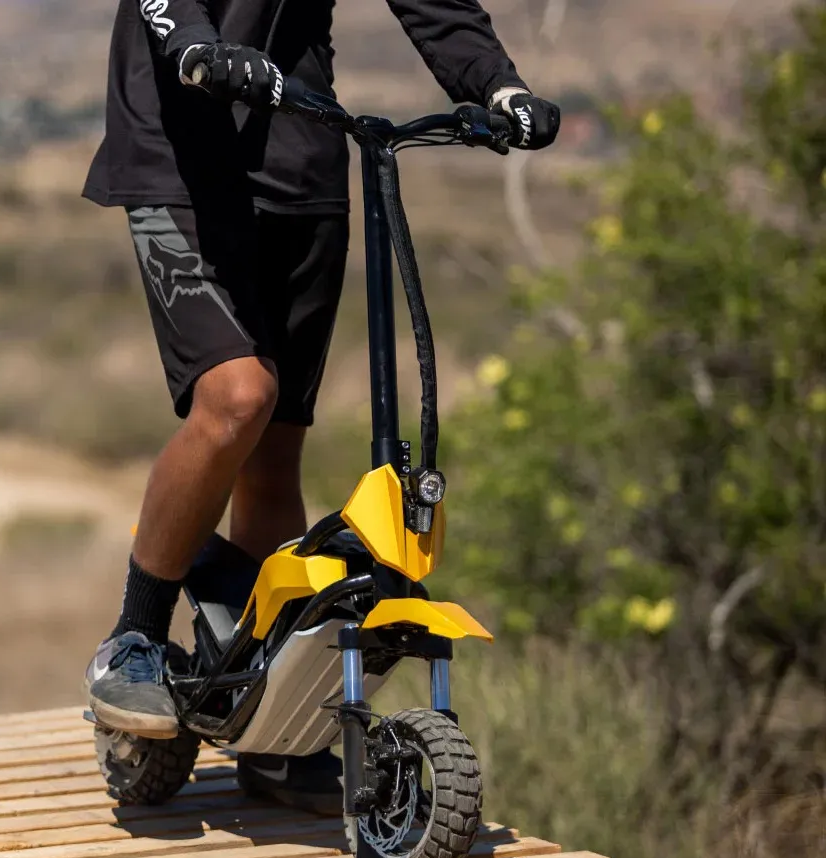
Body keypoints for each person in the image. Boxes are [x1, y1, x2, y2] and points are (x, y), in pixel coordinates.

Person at [82, 0, 560, 814]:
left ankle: (267, 723)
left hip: (300, 149)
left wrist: (498, 86)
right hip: (183, 150)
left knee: (276, 447)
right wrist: (198, 46)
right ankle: (134, 637)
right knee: (239, 399)